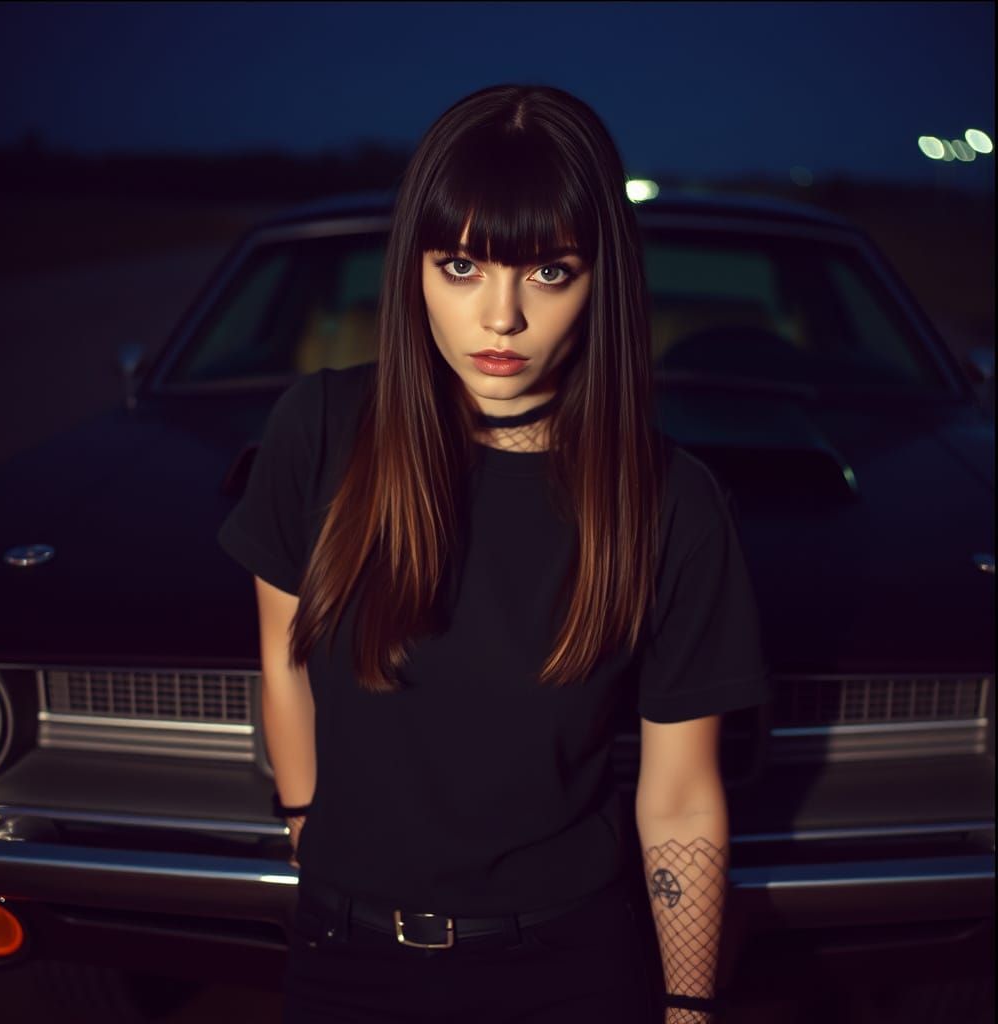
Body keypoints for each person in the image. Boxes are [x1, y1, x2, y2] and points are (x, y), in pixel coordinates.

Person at [218, 83, 770, 1024]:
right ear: (415, 269)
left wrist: (687, 1009)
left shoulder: (671, 502)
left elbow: (679, 794)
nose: (502, 319)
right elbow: (286, 652)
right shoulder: (317, 429)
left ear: (602, 281)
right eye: (464, 265)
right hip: (341, 959)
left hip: (565, 967)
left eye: (549, 272)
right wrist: (306, 821)